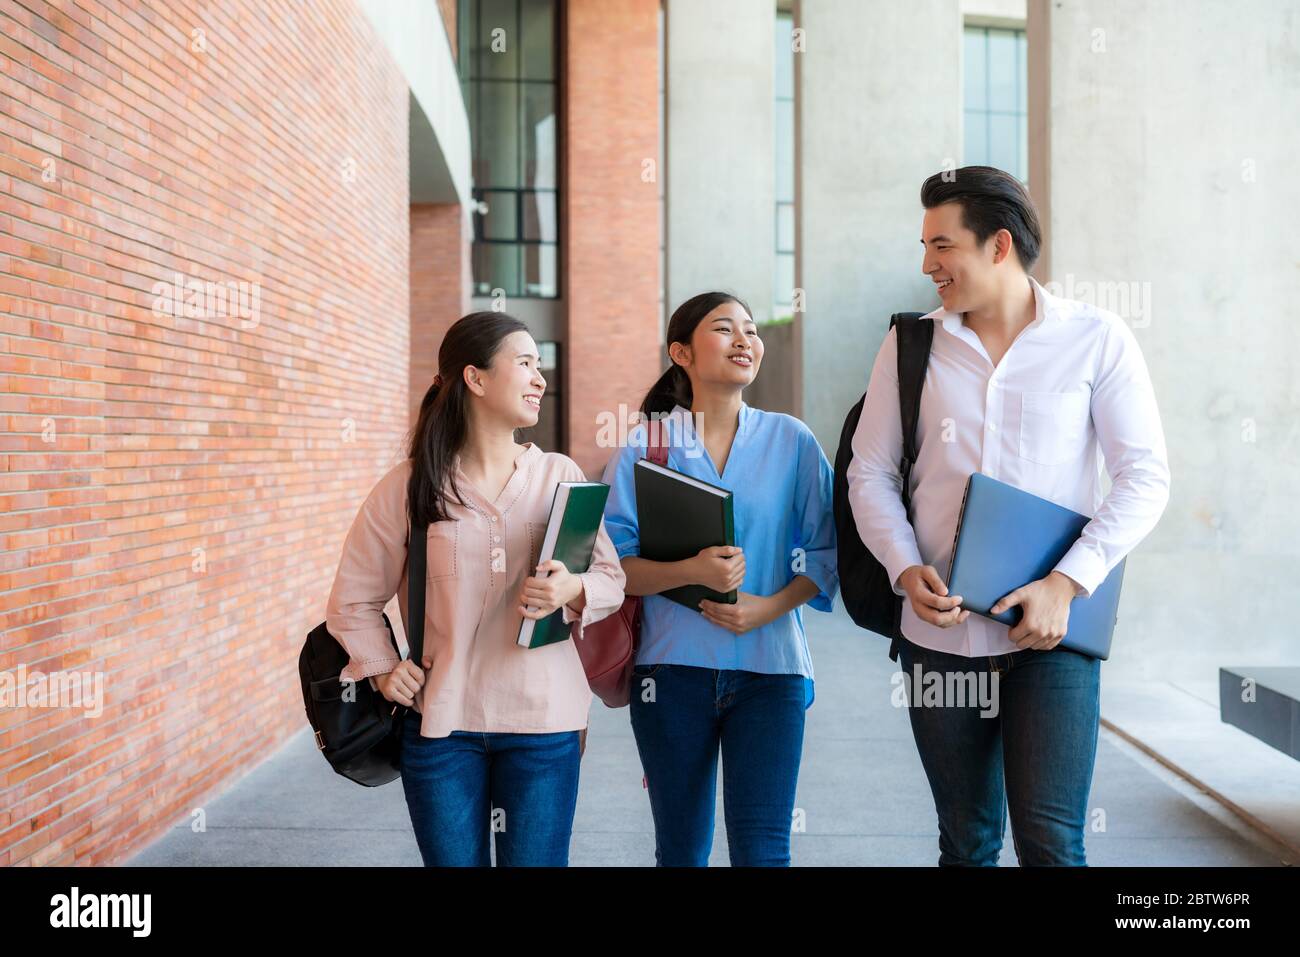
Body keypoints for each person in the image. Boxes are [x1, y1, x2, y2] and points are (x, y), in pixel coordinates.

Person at [847, 166, 1171, 866]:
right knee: (966, 843)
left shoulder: (1097, 338)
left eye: (942, 245)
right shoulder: (910, 345)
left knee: (1052, 845)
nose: (927, 264)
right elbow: (868, 470)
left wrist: (1068, 582)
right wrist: (904, 568)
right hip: (939, 635)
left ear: (998, 246)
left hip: (1050, 639)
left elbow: (1145, 478)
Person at [325, 311, 626, 866]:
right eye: (526, 363)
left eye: (541, 366)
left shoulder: (559, 475)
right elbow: (353, 600)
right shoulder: (411, 487)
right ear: (476, 378)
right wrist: (383, 667)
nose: (541, 379)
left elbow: (611, 579)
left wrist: (572, 588)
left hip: (545, 726)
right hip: (443, 728)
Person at [600, 291, 839, 866]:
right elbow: (613, 571)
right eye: (725, 329)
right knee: (680, 851)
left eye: (751, 331)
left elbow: (825, 553)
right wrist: (690, 571)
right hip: (670, 674)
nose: (745, 341)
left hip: (771, 673)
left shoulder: (793, 442)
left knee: (763, 852)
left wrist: (768, 607)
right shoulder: (645, 448)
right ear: (681, 352)